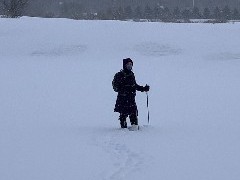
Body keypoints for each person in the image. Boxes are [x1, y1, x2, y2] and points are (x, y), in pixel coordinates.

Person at [112, 58, 150, 128]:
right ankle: (123, 130)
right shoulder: (119, 75)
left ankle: (134, 128)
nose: (129, 66)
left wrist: (143, 88)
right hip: (123, 99)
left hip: (131, 98)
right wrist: (124, 88)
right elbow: (116, 87)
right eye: (128, 64)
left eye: (131, 64)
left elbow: (135, 86)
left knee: (133, 114)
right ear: (124, 65)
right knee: (123, 115)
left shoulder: (131, 74)